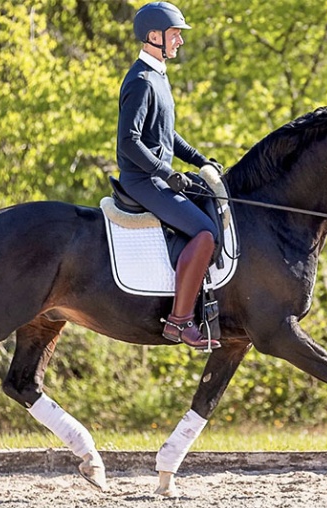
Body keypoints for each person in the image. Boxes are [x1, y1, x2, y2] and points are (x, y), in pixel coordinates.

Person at [116, 1, 221, 350]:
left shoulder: (158, 76)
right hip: (142, 180)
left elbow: (166, 135)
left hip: (158, 177)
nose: (180, 41)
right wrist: (167, 173)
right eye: (175, 34)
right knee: (205, 233)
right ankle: (179, 322)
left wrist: (199, 160)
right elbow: (129, 142)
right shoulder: (141, 81)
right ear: (153, 36)